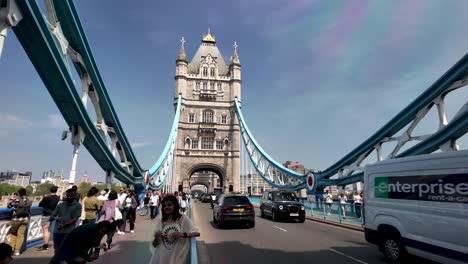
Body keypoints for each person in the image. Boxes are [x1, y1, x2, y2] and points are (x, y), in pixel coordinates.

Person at [150, 195, 200, 264]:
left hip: (177, 257)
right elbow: (154, 245)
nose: (166, 207)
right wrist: (156, 238)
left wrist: (183, 234)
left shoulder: (183, 219)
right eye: (164, 206)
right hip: (162, 257)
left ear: (175, 206)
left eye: (169, 205)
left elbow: (197, 233)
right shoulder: (161, 222)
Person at [7, 188, 32, 256]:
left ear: (18, 193)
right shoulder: (27, 200)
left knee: (13, 233)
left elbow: (9, 206)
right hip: (25, 219)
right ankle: (17, 251)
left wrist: (11, 198)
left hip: (16, 219)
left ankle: (11, 249)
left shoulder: (16, 200)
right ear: (25, 193)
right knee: (20, 235)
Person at [36, 185, 60, 252]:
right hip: (52, 215)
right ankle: (46, 244)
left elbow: (40, 205)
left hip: (46, 214)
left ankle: (45, 245)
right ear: (56, 191)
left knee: (45, 230)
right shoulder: (57, 198)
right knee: (48, 230)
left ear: (50, 190)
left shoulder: (47, 198)